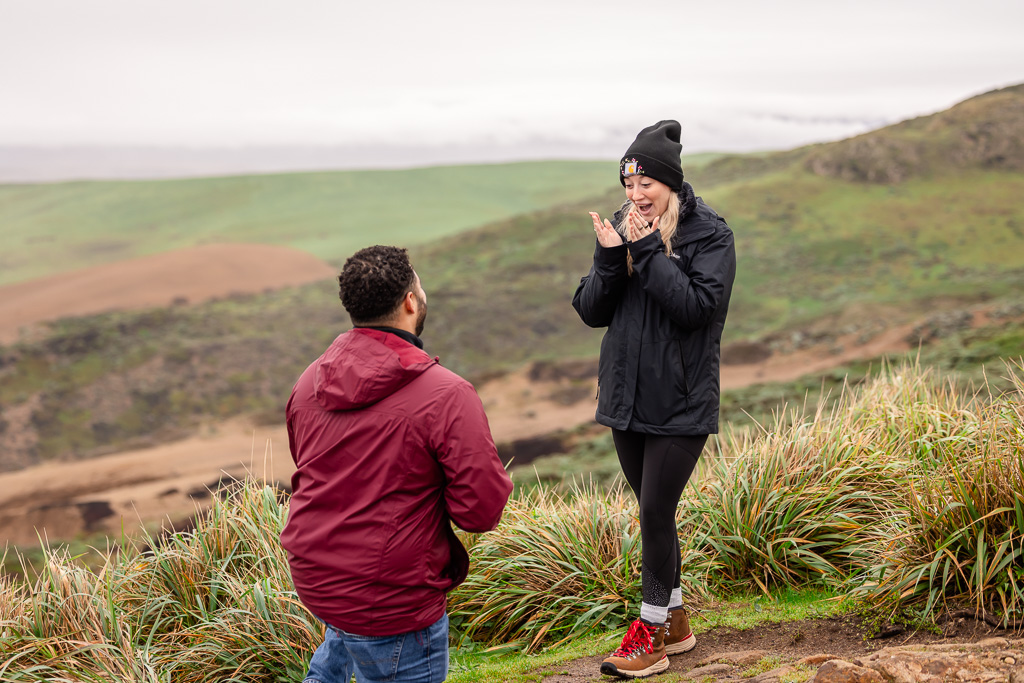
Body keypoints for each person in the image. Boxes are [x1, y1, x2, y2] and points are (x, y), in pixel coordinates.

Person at [281, 245, 513, 683]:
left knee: (345, 634)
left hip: (319, 574)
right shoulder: (447, 394)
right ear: (410, 302)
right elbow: (481, 512)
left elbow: (315, 470)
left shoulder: (308, 381)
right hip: (390, 594)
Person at [572, 121, 736, 678]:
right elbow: (591, 310)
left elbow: (695, 309)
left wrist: (644, 249)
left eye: (646, 184)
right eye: (628, 184)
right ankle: (677, 622)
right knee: (653, 512)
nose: (636, 195)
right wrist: (608, 258)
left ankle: (649, 637)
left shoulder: (710, 234)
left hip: (681, 403)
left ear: (671, 182)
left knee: (655, 512)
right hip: (627, 400)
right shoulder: (623, 227)